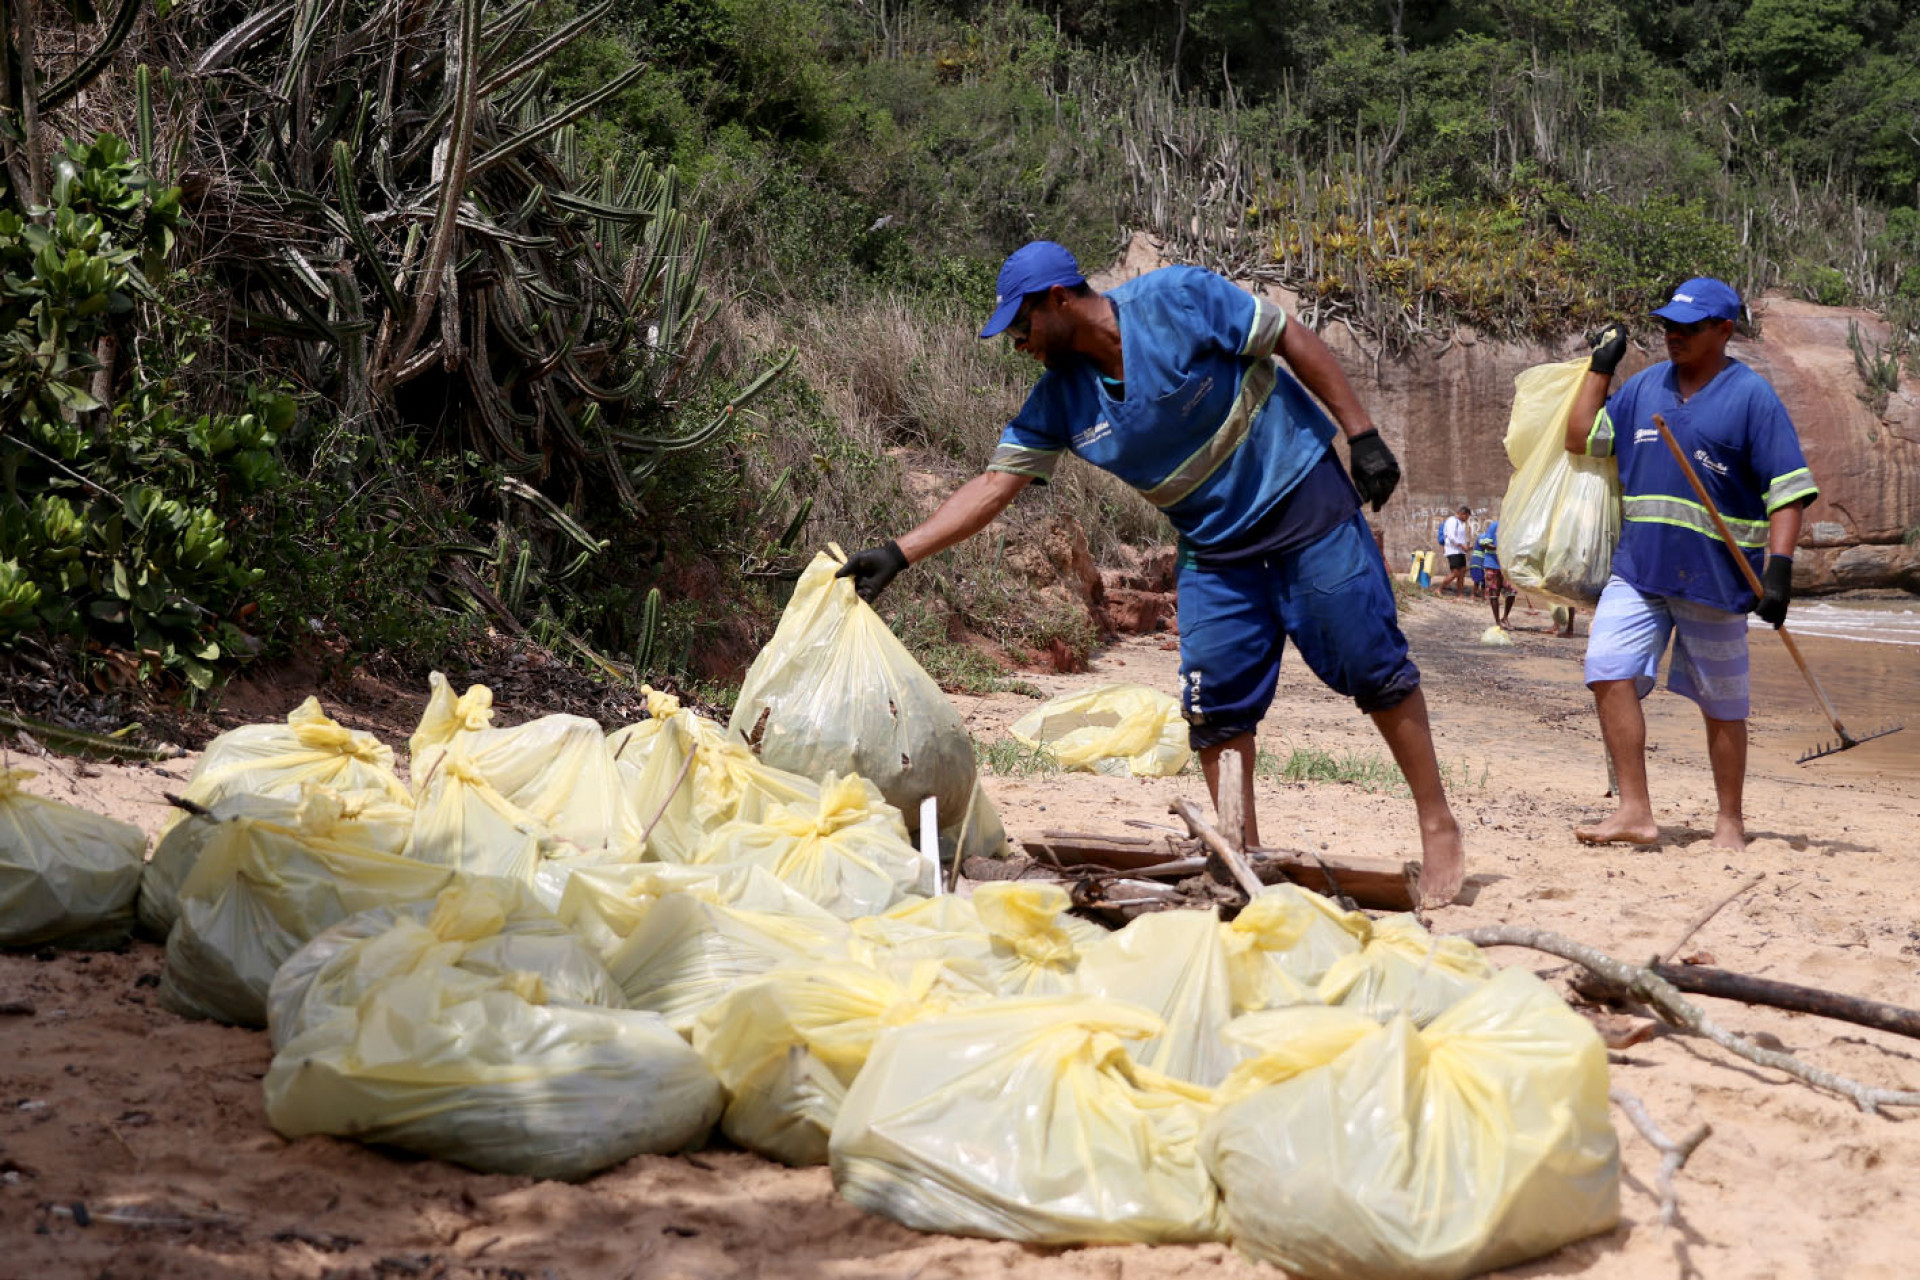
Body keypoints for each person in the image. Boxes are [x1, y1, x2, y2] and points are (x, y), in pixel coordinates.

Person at [835, 241, 1466, 905]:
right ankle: (1239, 852)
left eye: (1020, 327)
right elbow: (995, 484)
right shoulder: (1061, 400)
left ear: (1059, 300)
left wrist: (1361, 434)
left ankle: (1438, 825)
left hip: (1303, 499)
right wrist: (900, 551)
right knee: (1217, 703)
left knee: (1372, 664)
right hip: (1215, 546)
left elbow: (1291, 338)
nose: (1017, 343)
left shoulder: (1177, 298)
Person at [1563, 277, 1818, 849]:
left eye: (1689, 327)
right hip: (1640, 568)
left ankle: (1729, 821)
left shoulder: (1752, 396)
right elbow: (1580, 437)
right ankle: (1634, 810)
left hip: (1718, 578)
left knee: (1722, 705)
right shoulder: (1641, 389)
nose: (1673, 336)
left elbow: (1788, 489)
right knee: (1607, 668)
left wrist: (1779, 570)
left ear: (1724, 330)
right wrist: (1601, 367)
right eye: (1667, 326)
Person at [1479, 519, 1514, 627]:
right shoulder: (1495, 526)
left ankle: (1505, 617)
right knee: (1494, 592)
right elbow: (1485, 543)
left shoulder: (1514, 526)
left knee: (1512, 591)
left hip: (1507, 565)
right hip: (1492, 563)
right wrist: (1498, 548)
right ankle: (1497, 621)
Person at [1438, 506, 1472, 595]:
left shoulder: (1462, 523)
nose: (1467, 519)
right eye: (1466, 516)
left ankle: (1459, 594)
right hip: (1453, 551)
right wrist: (1462, 545)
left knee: (1462, 572)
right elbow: (1451, 537)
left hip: (1460, 551)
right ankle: (1439, 589)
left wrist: (1466, 546)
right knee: (1455, 572)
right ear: (1462, 514)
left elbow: (1462, 538)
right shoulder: (1451, 521)